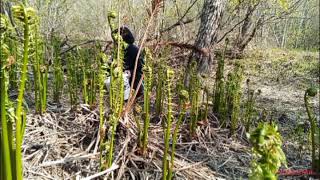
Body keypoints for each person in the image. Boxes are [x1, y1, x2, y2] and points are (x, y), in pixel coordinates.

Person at [112, 26, 144, 98]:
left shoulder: (135, 50)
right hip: (120, 83)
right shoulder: (117, 51)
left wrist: (131, 72)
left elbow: (141, 69)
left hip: (133, 82)